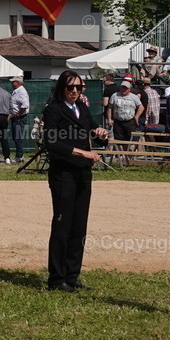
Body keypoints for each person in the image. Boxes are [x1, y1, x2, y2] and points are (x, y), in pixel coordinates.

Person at [41, 70, 109, 292]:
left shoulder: (81, 108)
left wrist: (99, 132)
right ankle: (56, 278)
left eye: (78, 88)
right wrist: (82, 153)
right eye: (70, 88)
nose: (74, 92)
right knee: (63, 225)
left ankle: (72, 275)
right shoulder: (53, 109)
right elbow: (51, 143)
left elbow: (92, 131)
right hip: (64, 174)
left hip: (83, 174)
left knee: (79, 226)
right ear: (62, 88)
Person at [106, 77, 143, 145]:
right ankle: (122, 155)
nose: (123, 89)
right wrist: (109, 119)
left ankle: (130, 154)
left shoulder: (134, 97)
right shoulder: (114, 96)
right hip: (118, 121)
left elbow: (141, 107)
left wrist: (137, 116)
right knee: (119, 140)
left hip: (129, 121)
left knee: (132, 140)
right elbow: (110, 108)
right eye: (122, 87)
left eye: (125, 88)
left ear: (129, 89)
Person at [9, 76, 30, 162]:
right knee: (16, 137)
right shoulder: (17, 91)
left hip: (19, 118)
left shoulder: (21, 92)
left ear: (18, 82)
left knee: (18, 137)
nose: (12, 83)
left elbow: (24, 106)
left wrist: (17, 114)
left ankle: (19, 156)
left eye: (13, 82)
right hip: (17, 117)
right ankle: (19, 155)